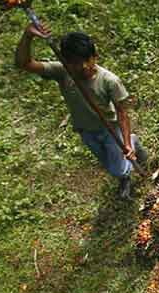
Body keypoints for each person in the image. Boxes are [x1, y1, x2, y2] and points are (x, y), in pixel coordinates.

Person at [15, 21, 147, 199]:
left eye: (87, 60)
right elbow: (24, 63)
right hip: (86, 130)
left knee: (117, 168)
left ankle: (127, 166)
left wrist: (127, 144)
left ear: (95, 56)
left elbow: (122, 113)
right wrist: (28, 35)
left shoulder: (109, 80)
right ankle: (128, 156)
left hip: (109, 128)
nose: (83, 67)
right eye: (76, 63)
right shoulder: (63, 71)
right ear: (66, 62)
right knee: (107, 162)